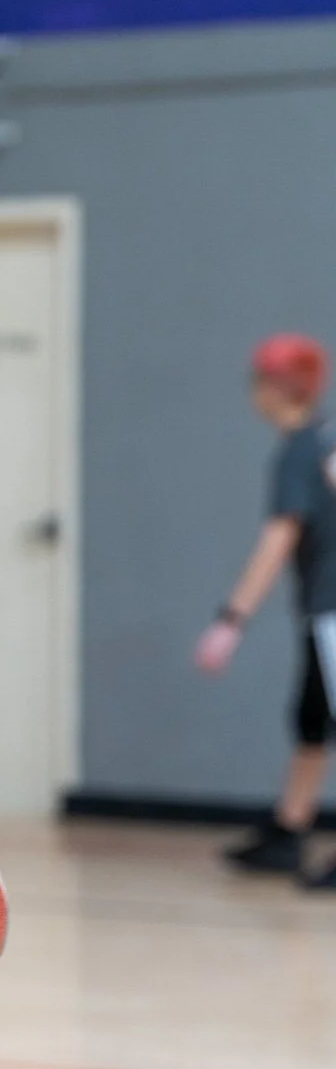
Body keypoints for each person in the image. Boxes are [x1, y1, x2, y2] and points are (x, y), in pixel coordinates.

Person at [195, 333, 336, 887]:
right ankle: (290, 827)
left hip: (332, 607)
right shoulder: (323, 441)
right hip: (320, 608)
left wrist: (231, 620)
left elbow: (280, 537)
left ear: (277, 388)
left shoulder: (302, 449)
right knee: (311, 717)